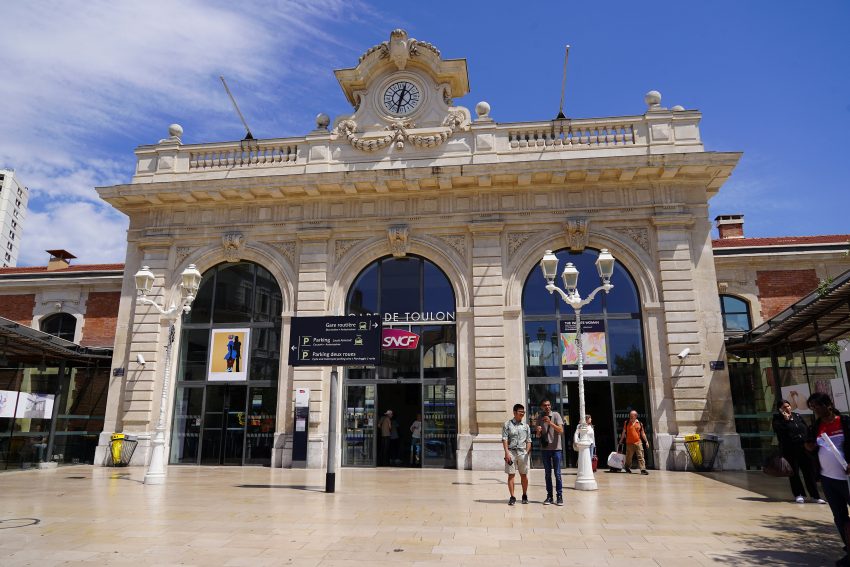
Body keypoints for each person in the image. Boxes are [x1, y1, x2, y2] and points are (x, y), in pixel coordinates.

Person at [805, 392, 850, 566]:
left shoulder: (844, 422)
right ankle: (848, 547)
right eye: (812, 407)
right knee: (839, 516)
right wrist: (809, 446)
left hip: (846, 478)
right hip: (827, 478)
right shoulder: (816, 426)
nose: (815, 409)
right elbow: (809, 445)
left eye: (817, 405)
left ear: (828, 405)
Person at [772, 398, 824, 504]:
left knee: (809, 472)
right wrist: (786, 421)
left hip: (804, 448)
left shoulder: (797, 416)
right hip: (790, 449)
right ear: (780, 409)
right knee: (794, 473)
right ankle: (798, 494)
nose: (787, 408)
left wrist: (809, 441)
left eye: (788, 406)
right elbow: (779, 432)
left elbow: (805, 428)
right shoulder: (777, 419)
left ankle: (815, 496)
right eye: (784, 407)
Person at [535, 399, 564, 506]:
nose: (547, 407)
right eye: (545, 405)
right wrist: (538, 431)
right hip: (545, 449)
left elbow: (561, 431)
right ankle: (549, 496)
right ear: (542, 407)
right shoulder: (539, 417)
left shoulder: (556, 415)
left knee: (557, 473)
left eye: (548, 405)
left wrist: (550, 422)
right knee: (547, 474)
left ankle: (559, 496)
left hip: (556, 448)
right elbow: (538, 436)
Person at [502, 403, 531, 506]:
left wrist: (526, 452)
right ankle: (512, 496)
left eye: (523, 412)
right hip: (511, 452)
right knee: (511, 475)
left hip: (522, 453)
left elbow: (529, 440)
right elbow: (504, 439)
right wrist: (506, 453)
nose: (522, 414)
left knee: (524, 475)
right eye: (520, 412)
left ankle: (524, 495)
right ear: (514, 412)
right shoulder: (507, 424)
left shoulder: (526, 426)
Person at [618, 410, 650, 475]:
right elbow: (624, 432)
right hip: (629, 443)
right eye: (630, 415)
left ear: (635, 416)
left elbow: (643, 433)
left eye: (632, 416)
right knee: (629, 458)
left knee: (641, 456)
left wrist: (646, 441)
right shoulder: (626, 422)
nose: (630, 417)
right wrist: (620, 441)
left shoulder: (640, 423)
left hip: (638, 442)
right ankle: (627, 467)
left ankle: (643, 469)